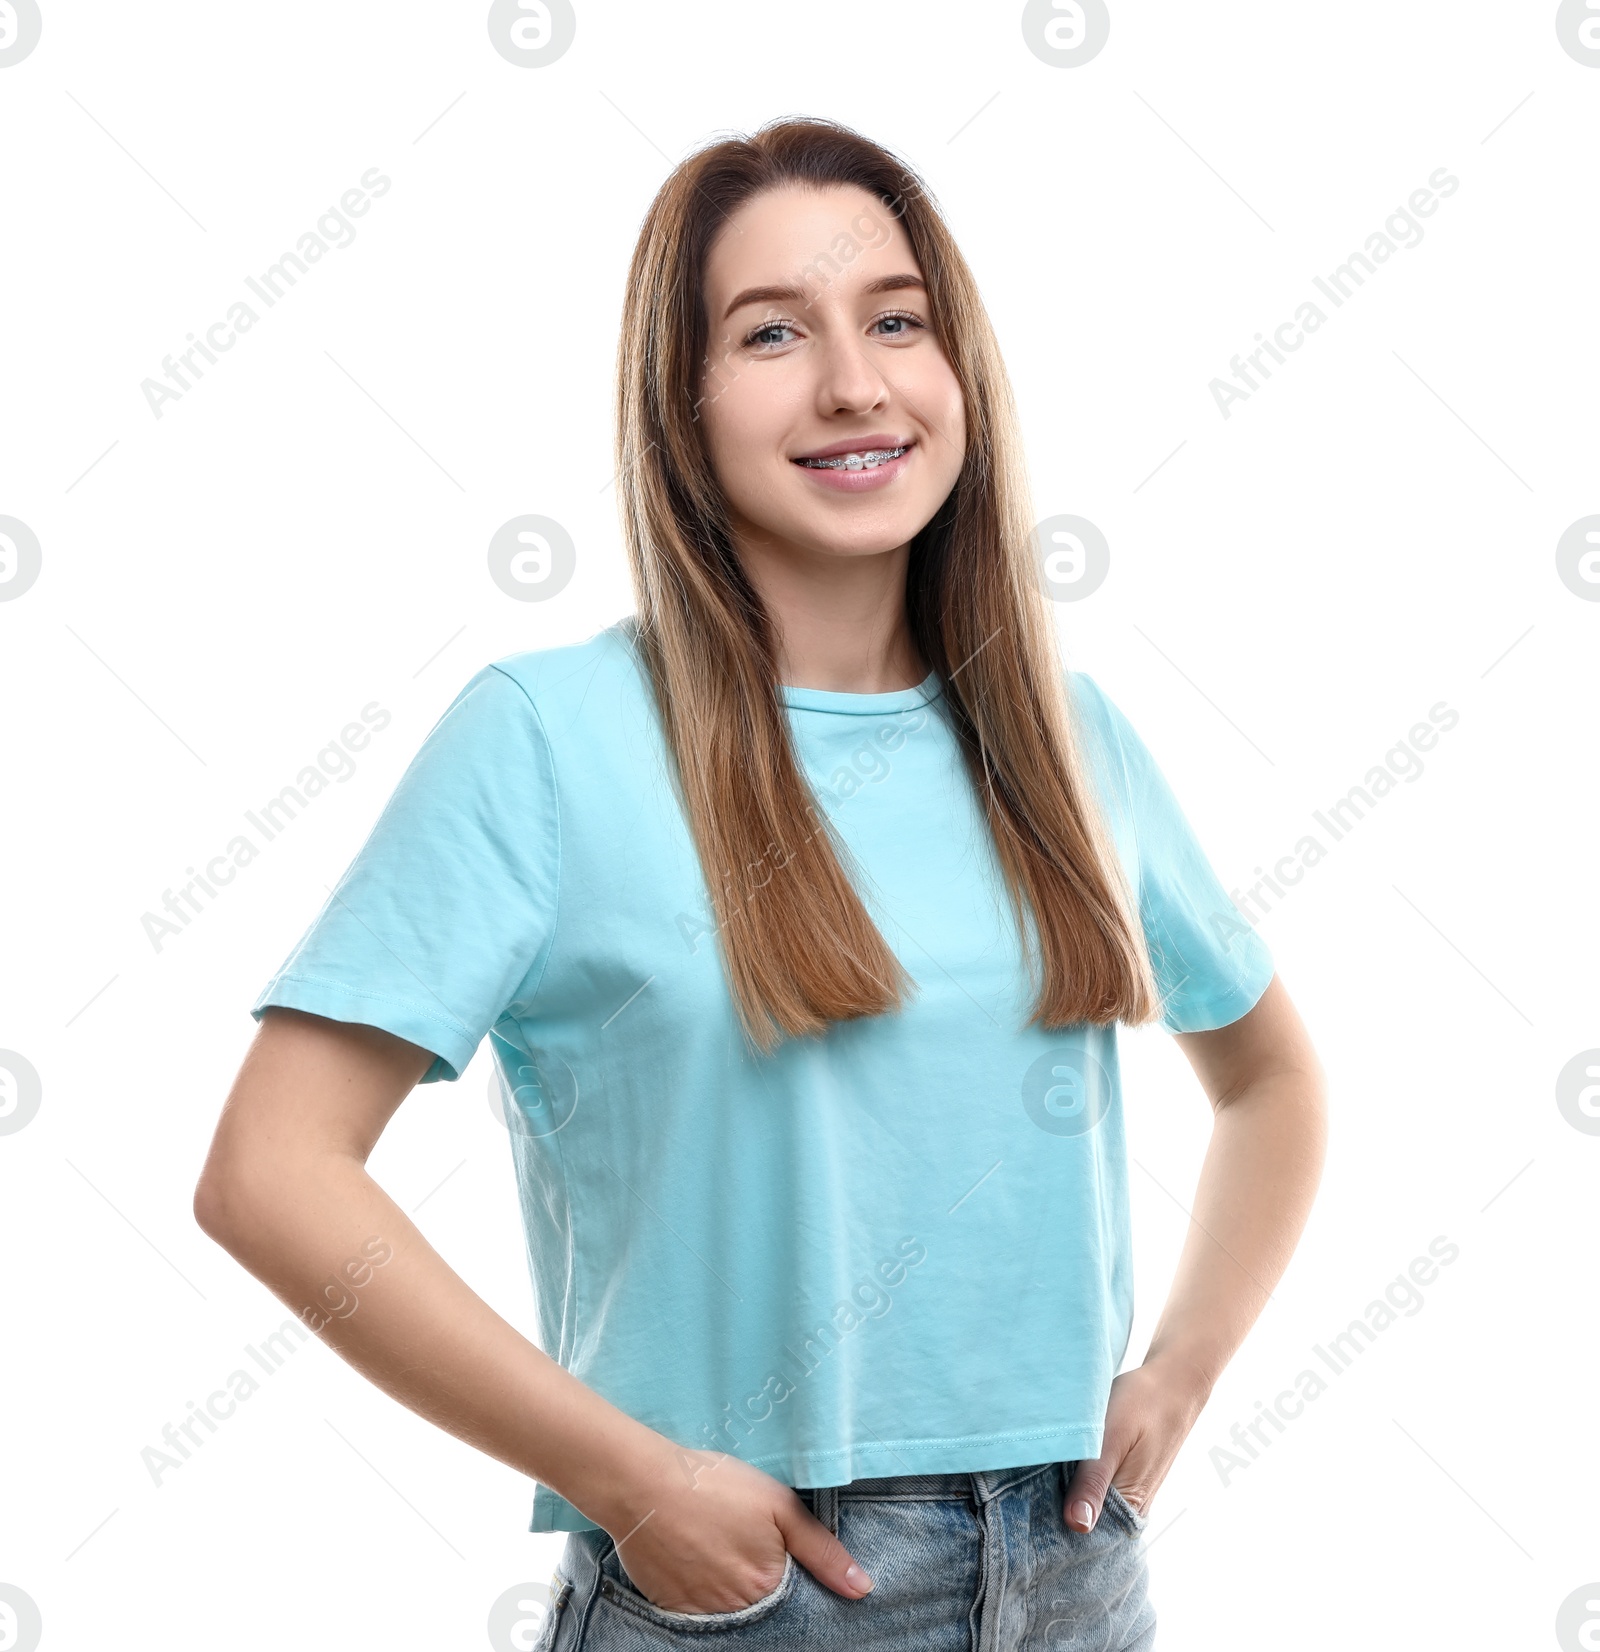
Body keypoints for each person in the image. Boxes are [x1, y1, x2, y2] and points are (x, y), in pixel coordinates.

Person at [194, 116, 1327, 1651]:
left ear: (959, 373)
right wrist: (630, 1481)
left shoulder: (1061, 732)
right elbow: (273, 1170)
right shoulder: (547, 736)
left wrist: (1183, 1368)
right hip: (754, 1594)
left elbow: (1267, 1077)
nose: (853, 381)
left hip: (1072, 1568)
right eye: (773, 332)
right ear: (684, 401)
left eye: (897, 320)